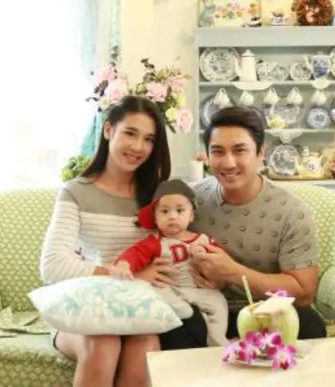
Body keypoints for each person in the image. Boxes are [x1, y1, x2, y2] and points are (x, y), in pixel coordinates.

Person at [39, 96, 208, 387]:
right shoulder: (76, 192)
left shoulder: (159, 197)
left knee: (146, 346)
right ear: (108, 130)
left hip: (139, 309)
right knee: (102, 345)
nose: (138, 147)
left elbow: (185, 241)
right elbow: (52, 266)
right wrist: (128, 276)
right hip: (86, 305)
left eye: (149, 139)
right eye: (130, 133)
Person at [189, 106, 328, 340]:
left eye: (240, 150)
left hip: (267, 312)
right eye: (218, 152)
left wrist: (234, 273)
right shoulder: (189, 203)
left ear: (260, 152)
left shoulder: (291, 211)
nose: (228, 163)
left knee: (309, 323)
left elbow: (304, 293)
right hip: (204, 310)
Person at [109, 179, 229, 347]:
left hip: (200, 289)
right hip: (171, 289)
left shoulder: (203, 240)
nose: (172, 216)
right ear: (155, 218)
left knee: (219, 302)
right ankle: (179, 308)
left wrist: (206, 257)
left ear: (191, 215)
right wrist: (124, 264)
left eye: (180, 210)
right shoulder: (155, 242)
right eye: (165, 211)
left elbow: (223, 261)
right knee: (155, 291)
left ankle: (217, 336)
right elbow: (135, 253)